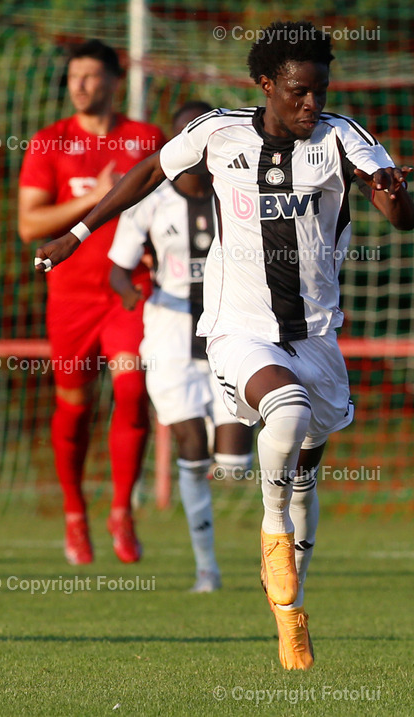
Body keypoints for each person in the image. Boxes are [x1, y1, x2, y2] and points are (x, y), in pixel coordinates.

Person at [34, 20, 414, 670]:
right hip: (237, 329)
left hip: (318, 335)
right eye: (297, 91)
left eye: (320, 90)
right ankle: (271, 534)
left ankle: (290, 609)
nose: (311, 104)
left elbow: (398, 212)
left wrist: (393, 196)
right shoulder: (219, 132)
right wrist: (77, 232)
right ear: (265, 84)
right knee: (285, 414)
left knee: (307, 474)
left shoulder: (341, 136)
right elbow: (151, 168)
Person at [18, 39, 165, 565]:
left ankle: (122, 512)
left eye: (90, 75)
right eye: (73, 76)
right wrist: (96, 196)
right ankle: (75, 515)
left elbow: (176, 200)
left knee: (131, 391)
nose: (79, 84)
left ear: (113, 80)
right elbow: (29, 224)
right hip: (71, 298)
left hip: (128, 294)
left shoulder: (145, 138)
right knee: (74, 409)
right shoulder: (48, 143)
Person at [108, 101, 255, 593]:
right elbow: (118, 268)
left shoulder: (237, 193)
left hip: (227, 329)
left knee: (233, 466)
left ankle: (270, 543)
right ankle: (206, 569)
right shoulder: (148, 200)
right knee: (190, 445)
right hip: (170, 332)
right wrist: (132, 294)